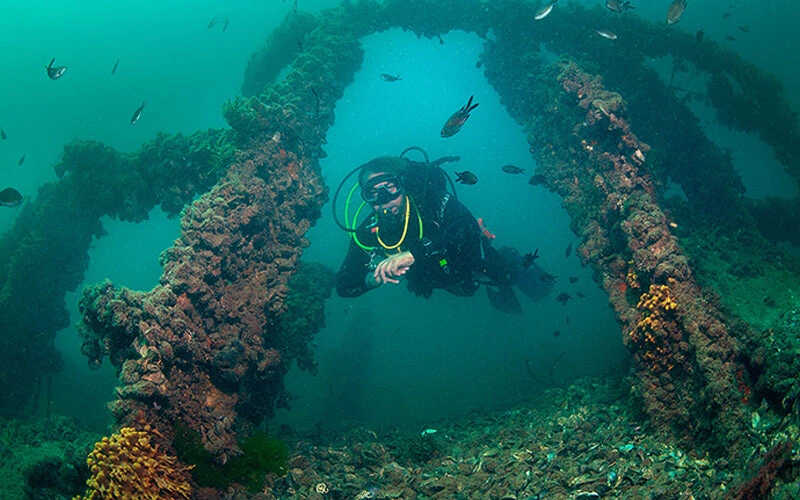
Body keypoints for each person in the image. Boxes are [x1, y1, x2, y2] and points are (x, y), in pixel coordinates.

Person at [335, 155, 540, 312]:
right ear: (366, 197)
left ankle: (514, 263)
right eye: (373, 193)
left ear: (403, 185)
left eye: (391, 187)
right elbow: (344, 285)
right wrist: (372, 279)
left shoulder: (431, 200)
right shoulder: (369, 231)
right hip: (440, 280)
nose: (385, 199)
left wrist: (412, 253)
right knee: (469, 289)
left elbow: (466, 227)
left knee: (506, 274)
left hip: (473, 261)